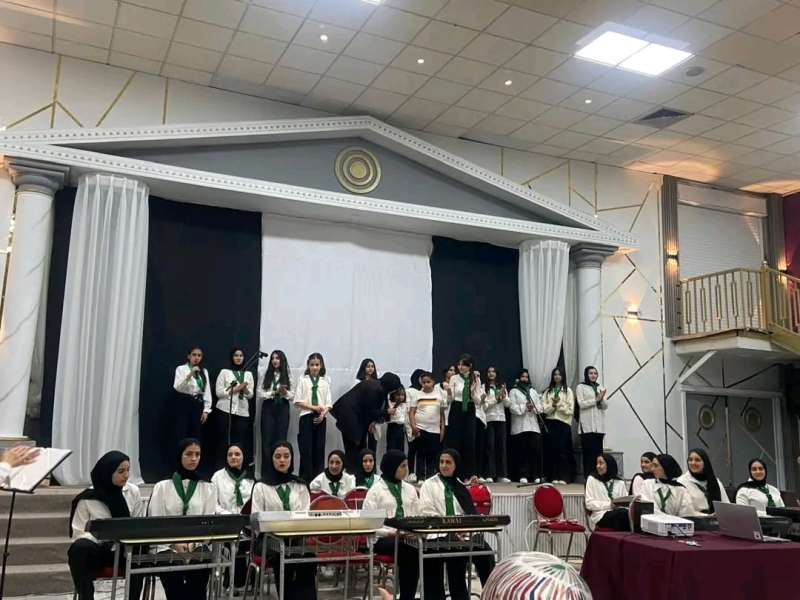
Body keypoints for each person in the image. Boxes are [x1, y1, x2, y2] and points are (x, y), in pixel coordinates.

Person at [419, 449, 496, 599]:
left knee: (486, 552)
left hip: (462, 533)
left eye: (448, 462)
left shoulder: (460, 486)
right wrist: (452, 530)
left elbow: (469, 513)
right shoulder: (429, 485)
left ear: (456, 465)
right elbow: (427, 512)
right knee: (455, 555)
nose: (444, 465)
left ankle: (491, 594)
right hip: (437, 533)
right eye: (441, 462)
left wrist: (464, 529)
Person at [68, 451, 144, 600]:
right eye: (121, 471)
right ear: (108, 472)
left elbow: (138, 523)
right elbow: (78, 533)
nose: (126, 475)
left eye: (128, 470)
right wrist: (104, 536)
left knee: (140, 550)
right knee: (79, 549)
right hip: (99, 550)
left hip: (125, 550)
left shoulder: (132, 492)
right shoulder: (87, 498)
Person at [148, 439, 216, 600]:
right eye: (189, 454)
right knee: (171, 567)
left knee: (200, 565)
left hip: (197, 543)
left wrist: (192, 543)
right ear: (180, 455)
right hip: (165, 544)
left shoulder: (207, 487)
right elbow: (154, 521)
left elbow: (209, 521)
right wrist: (174, 543)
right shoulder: (162, 486)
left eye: (197, 454)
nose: (194, 458)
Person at [251, 442, 316, 600]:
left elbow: (305, 514)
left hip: (295, 535)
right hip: (268, 538)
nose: (282, 460)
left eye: (286, 456)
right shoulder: (261, 486)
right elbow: (256, 518)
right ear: (271, 459)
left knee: (308, 556)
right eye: (278, 456)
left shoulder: (300, 485)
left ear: (292, 459)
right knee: (282, 556)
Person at [362, 450, 422, 600]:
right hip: (382, 538)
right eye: (402, 466)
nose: (406, 470)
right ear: (392, 466)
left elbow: (419, 514)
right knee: (408, 550)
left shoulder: (409, 489)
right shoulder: (375, 491)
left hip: (408, 536)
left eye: (406, 466)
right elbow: (369, 524)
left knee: (421, 547)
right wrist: (390, 533)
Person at [331, 371, 402, 474]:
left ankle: (358, 476)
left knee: (359, 450)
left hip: (351, 418)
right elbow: (370, 412)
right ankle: (352, 477)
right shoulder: (375, 390)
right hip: (351, 419)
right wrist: (387, 411)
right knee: (353, 452)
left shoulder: (375, 385)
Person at [211, 443, 254, 592]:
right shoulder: (218, 477)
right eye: (230, 455)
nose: (233, 457)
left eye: (237, 454)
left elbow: (254, 504)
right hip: (226, 522)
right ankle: (234, 583)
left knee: (250, 541)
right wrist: (231, 517)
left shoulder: (250, 478)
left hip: (247, 523)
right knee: (235, 542)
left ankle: (247, 581)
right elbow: (214, 505)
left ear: (243, 457)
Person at [294, 352, 331, 481]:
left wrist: (323, 414)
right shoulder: (303, 381)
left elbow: (329, 404)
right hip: (306, 417)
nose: (315, 367)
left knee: (319, 449)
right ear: (308, 365)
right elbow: (297, 401)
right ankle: (305, 479)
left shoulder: (325, 382)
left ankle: (317, 480)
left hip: (321, 418)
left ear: (321, 366)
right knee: (306, 449)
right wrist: (313, 407)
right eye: (312, 365)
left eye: (317, 365)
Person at [446, 354, 483, 480]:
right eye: (459, 364)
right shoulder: (454, 378)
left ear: (470, 366)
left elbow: (478, 402)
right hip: (456, 408)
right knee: (455, 441)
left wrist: (472, 392)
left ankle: (469, 474)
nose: (460, 367)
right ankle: (455, 473)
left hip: (470, 409)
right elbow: (450, 399)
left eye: (463, 365)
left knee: (469, 442)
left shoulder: (475, 379)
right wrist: (449, 392)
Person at [214, 349, 254, 463]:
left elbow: (250, 395)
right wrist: (237, 389)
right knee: (223, 440)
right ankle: (221, 466)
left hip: (242, 411)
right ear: (232, 357)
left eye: (241, 355)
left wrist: (244, 389)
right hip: (225, 409)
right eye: (236, 355)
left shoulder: (248, 374)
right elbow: (219, 392)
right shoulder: (224, 372)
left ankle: (237, 466)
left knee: (239, 441)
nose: (238, 358)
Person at [257, 350, 293, 473]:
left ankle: (279, 472)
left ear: (282, 360)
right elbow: (260, 393)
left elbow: (293, 396)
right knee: (266, 441)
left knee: (281, 440)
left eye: (277, 358)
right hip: (269, 407)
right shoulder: (267, 374)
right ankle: (266, 473)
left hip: (282, 407)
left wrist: (284, 392)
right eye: (273, 358)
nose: (274, 361)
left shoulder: (288, 376)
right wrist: (274, 392)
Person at [506, 369, 543, 484]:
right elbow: (512, 408)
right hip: (520, 427)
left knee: (534, 451)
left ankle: (535, 475)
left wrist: (533, 408)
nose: (525, 379)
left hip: (533, 426)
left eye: (526, 377)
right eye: (523, 377)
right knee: (522, 452)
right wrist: (525, 407)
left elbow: (540, 408)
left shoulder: (533, 391)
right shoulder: (514, 391)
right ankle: (523, 474)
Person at [172, 347, 212, 448]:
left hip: (197, 403)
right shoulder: (181, 369)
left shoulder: (204, 371)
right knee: (181, 432)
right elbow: (178, 387)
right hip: (184, 402)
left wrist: (206, 410)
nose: (196, 358)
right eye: (194, 355)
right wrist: (190, 374)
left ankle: (194, 455)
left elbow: (207, 391)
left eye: (199, 355)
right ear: (189, 356)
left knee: (195, 434)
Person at [409, 371, 445, 481]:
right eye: (424, 382)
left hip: (434, 430)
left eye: (428, 382)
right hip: (421, 429)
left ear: (433, 382)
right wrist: (413, 426)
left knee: (432, 455)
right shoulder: (417, 395)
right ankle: (420, 476)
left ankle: (430, 477)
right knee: (421, 454)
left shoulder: (439, 396)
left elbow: (442, 414)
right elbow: (411, 412)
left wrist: (442, 429)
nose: (426, 384)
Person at [540, 368, 574, 485]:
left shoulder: (568, 391)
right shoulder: (548, 391)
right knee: (552, 450)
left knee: (562, 451)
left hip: (563, 422)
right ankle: (553, 475)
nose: (557, 376)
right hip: (550, 422)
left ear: (562, 376)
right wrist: (553, 406)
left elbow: (569, 410)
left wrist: (558, 404)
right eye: (555, 374)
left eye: (559, 374)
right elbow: (544, 408)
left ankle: (564, 476)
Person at [575, 366, 608, 482]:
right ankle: (588, 477)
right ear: (586, 374)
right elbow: (581, 404)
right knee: (588, 454)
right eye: (591, 373)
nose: (593, 375)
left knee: (598, 454)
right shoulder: (581, 387)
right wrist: (596, 399)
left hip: (599, 427)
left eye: (595, 373)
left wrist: (602, 399)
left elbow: (605, 406)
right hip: (587, 426)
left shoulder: (599, 387)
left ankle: (599, 476)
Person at [677, 448, 729, 516]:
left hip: (717, 519)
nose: (693, 463)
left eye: (697, 460)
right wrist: (707, 516)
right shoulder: (682, 482)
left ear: (705, 462)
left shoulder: (715, 481)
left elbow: (726, 506)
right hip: (694, 520)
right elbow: (683, 511)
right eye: (690, 460)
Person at [584, 454, 629, 531]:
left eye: (601, 463)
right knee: (621, 514)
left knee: (628, 514)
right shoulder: (592, 479)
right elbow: (589, 504)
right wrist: (609, 505)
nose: (598, 466)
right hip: (600, 515)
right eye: (597, 463)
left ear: (609, 465)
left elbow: (625, 502)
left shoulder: (619, 482)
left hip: (619, 512)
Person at [483, 366, 509, 483]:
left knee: (501, 447)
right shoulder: (484, 387)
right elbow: (484, 406)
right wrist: (496, 397)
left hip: (501, 419)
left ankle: (501, 475)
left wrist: (503, 397)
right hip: (489, 419)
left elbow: (508, 404)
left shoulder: (501, 387)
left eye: (493, 371)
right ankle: (489, 474)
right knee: (490, 447)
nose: (491, 373)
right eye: (489, 371)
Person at [406, 369, 426, 482]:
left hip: (423, 425)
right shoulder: (409, 391)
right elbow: (408, 410)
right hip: (412, 425)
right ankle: (411, 472)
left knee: (421, 450)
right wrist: (412, 426)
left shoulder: (424, 392)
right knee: (412, 449)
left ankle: (420, 473)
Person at [355, 358, 379, 451]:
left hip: (373, 417)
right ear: (363, 368)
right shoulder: (358, 382)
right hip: (361, 417)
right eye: (368, 366)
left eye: (372, 366)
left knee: (373, 444)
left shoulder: (377, 383)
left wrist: (374, 420)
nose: (370, 368)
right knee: (361, 444)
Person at [386, 386, 409, 453]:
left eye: (402, 395)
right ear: (393, 395)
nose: (400, 397)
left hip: (401, 428)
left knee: (401, 448)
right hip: (392, 427)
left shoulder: (405, 405)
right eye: (398, 395)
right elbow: (390, 416)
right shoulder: (390, 403)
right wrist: (396, 405)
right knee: (391, 447)